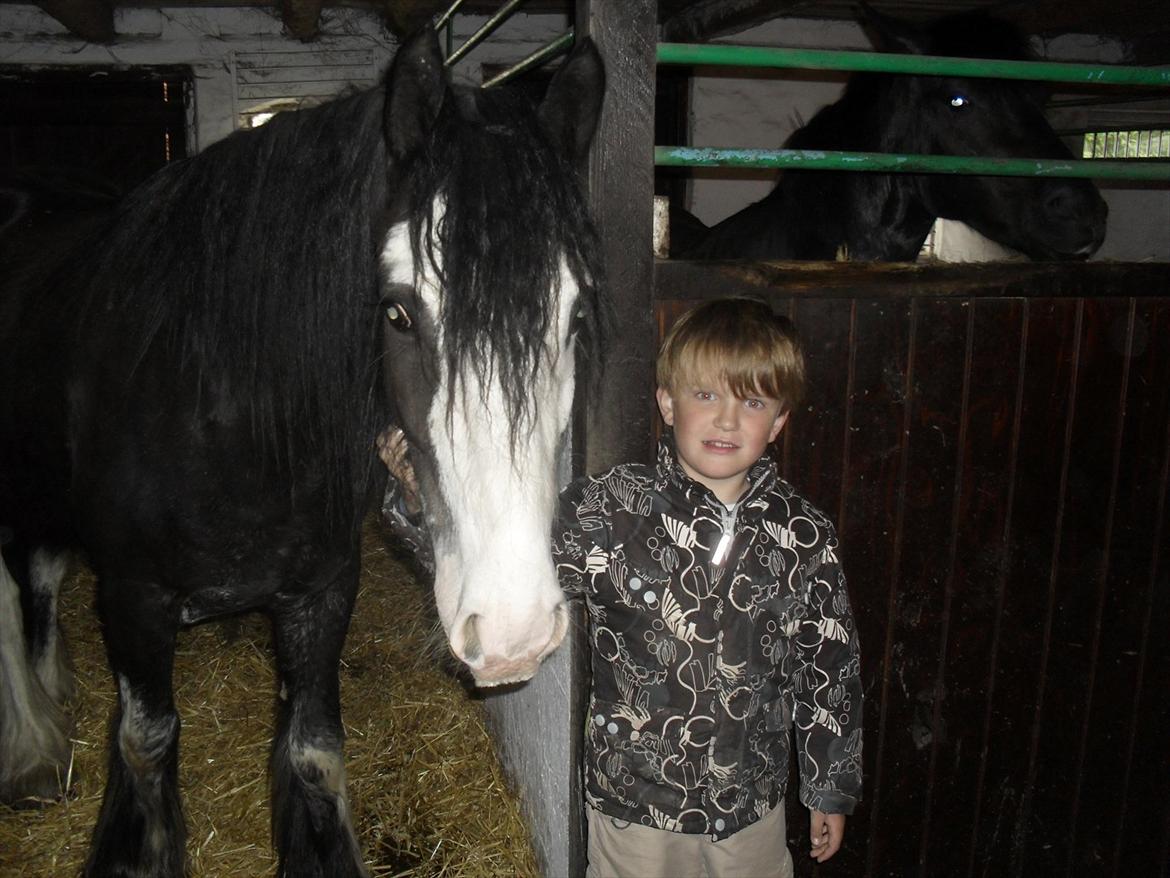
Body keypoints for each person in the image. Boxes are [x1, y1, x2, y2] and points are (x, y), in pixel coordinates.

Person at [379, 297, 862, 878]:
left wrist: (829, 786)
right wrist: (417, 496)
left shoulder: (804, 536)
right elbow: (514, 564)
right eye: (705, 395)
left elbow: (831, 666)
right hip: (633, 811)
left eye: (752, 401)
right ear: (666, 402)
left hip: (751, 813)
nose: (727, 420)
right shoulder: (610, 509)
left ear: (780, 420)